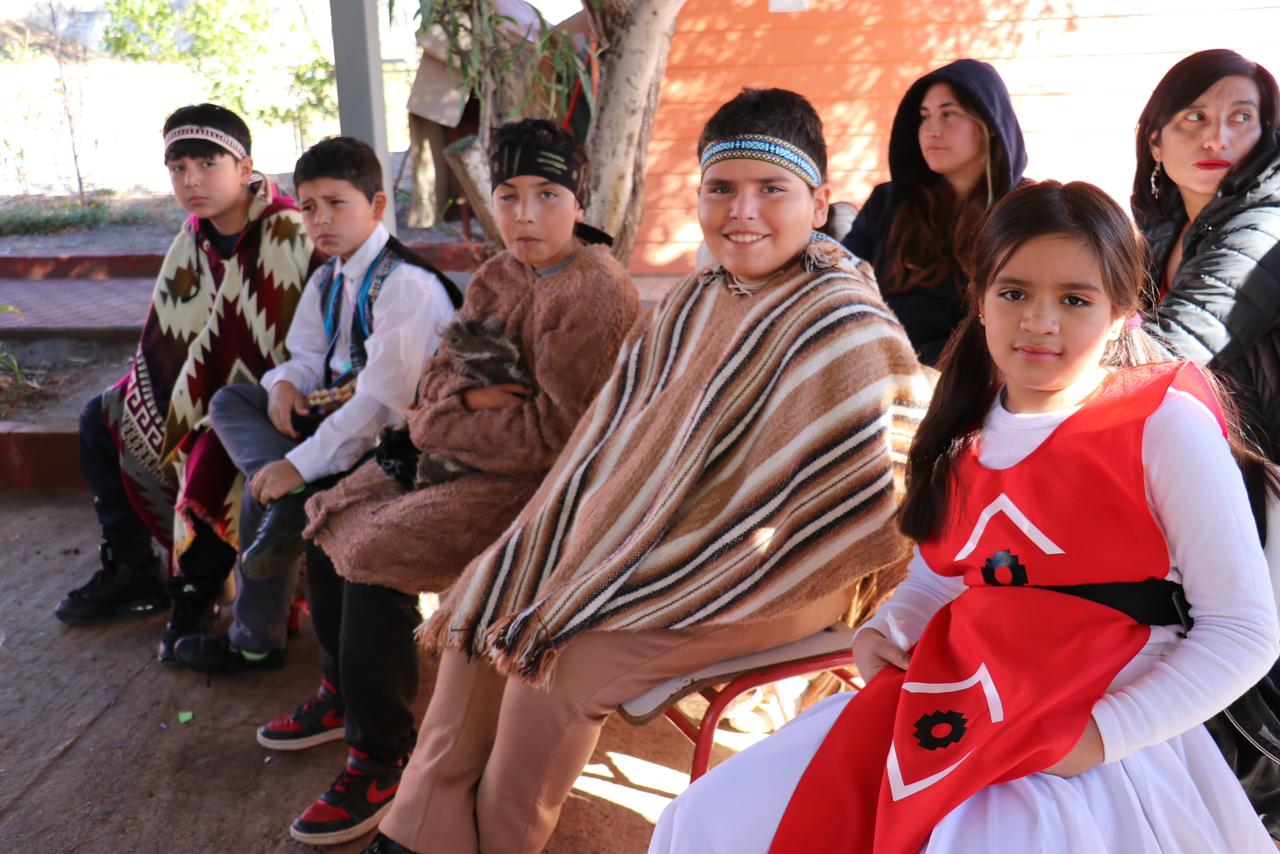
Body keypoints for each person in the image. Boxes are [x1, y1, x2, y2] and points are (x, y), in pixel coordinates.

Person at [359, 87, 929, 854]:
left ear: (820, 201)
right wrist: (610, 541)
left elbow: (863, 495)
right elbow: (625, 441)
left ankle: (499, 842)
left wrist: (666, 551)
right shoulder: (697, 299)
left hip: (786, 572)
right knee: (497, 592)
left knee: (553, 665)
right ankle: (421, 828)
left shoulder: (844, 324)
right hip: (668, 545)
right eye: (721, 189)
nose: (743, 212)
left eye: (772, 190)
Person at [649, 180, 1280, 853]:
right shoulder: (964, 424)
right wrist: (892, 626)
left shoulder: (1162, 422)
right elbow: (943, 577)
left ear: (1123, 309)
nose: (1040, 321)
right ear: (979, 301)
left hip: (1100, 723)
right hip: (957, 703)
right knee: (714, 817)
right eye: (1015, 293)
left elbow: (1243, 631)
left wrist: (1099, 736)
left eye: (1074, 299)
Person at [265, 118, 639, 846]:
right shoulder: (502, 272)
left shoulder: (595, 296)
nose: (525, 214)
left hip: (536, 493)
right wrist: (468, 402)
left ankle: (382, 757)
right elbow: (443, 373)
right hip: (458, 456)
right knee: (330, 510)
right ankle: (345, 694)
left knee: (376, 551)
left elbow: (556, 439)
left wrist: (445, 418)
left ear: (580, 198)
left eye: (547, 193)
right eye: (508, 194)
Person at [169, 136, 462, 675]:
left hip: (401, 448)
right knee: (236, 400)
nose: (320, 219)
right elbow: (307, 354)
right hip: (339, 424)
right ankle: (291, 497)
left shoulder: (406, 286)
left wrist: (296, 464)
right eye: (308, 207)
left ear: (375, 206)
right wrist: (283, 383)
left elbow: (381, 406)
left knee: (271, 489)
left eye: (336, 203)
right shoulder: (330, 276)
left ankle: (254, 641)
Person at [55, 103, 319, 662]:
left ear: (245, 164)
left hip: (274, 397)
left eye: (207, 162)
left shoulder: (288, 231)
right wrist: (169, 395)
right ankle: (131, 568)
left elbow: (286, 346)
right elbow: (168, 337)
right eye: (177, 168)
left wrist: (202, 399)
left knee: (210, 441)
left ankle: (195, 593)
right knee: (102, 417)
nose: (191, 180)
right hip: (199, 393)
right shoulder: (193, 237)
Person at [1135, 48, 1280, 838]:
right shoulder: (1162, 233)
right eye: (1192, 117)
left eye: (1240, 117)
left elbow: (1180, 340)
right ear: (1156, 140)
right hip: (1214, 482)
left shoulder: (1266, 221)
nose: (1215, 134)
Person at [843, 58, 1027, 365]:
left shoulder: (1024, 211)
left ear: (990, 125)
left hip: (981, 381)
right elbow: (842, 285)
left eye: (949, 114)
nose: (932, 130)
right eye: (925, 117)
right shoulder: (888, 203)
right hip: (877, 373)